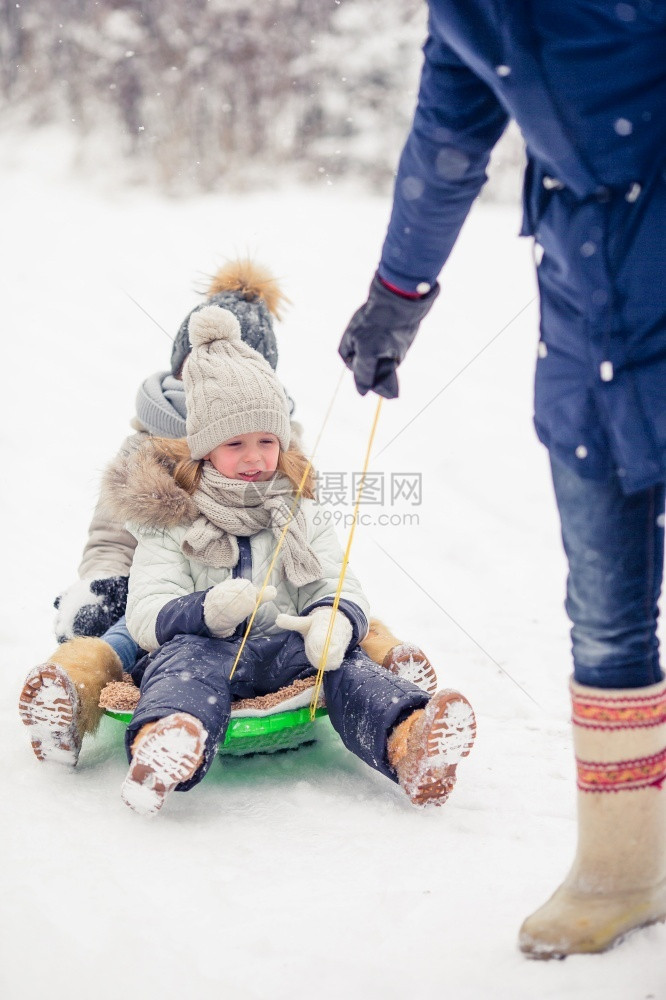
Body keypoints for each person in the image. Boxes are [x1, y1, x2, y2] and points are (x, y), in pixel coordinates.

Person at [338, 1, 666, 958]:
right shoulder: (471, 12)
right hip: (585, 321)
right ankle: (622, 869)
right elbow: (446, 137)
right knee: (604, 610)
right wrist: (397, 296)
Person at [18, 261, 437, 767]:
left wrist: (325, 610)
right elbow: (112, 540)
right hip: (162, 594)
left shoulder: (275, 449)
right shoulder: (150, 448)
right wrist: (109, 584)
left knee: (341, 616)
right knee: (122, 640)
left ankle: (393, 675)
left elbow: (314, 556)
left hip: (269, 605)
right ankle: (72, 692)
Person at [99, 304, 477, 815]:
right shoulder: (176, 519)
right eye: (235, 443)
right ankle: (165, 747)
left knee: (347, 664)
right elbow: (145, 612)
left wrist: (331, 618)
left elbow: (336, 577)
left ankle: (409, 742)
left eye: (266, 441)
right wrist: (206, 611)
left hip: (281, 651)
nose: (254, 457)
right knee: (183, 667)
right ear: (205, 450)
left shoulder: (299, 510)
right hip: (203, 651)